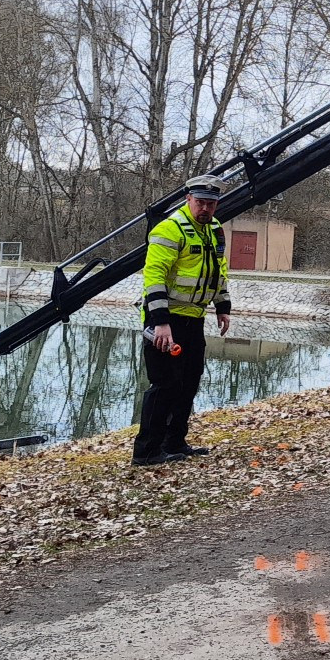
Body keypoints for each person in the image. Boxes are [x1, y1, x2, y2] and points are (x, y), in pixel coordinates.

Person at [132, 174, 233, 465]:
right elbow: (154, 277)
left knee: (188, 383)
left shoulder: (214, 230)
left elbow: (218, 271)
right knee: (164, 384)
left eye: (211, 204)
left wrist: (223, 306)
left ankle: (174, 442)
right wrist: (160, 322)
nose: (205, 208)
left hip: (194, 318)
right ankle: (146, 451)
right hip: (166, 319)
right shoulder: (169, 229)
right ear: (188, 199)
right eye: (200, 202)